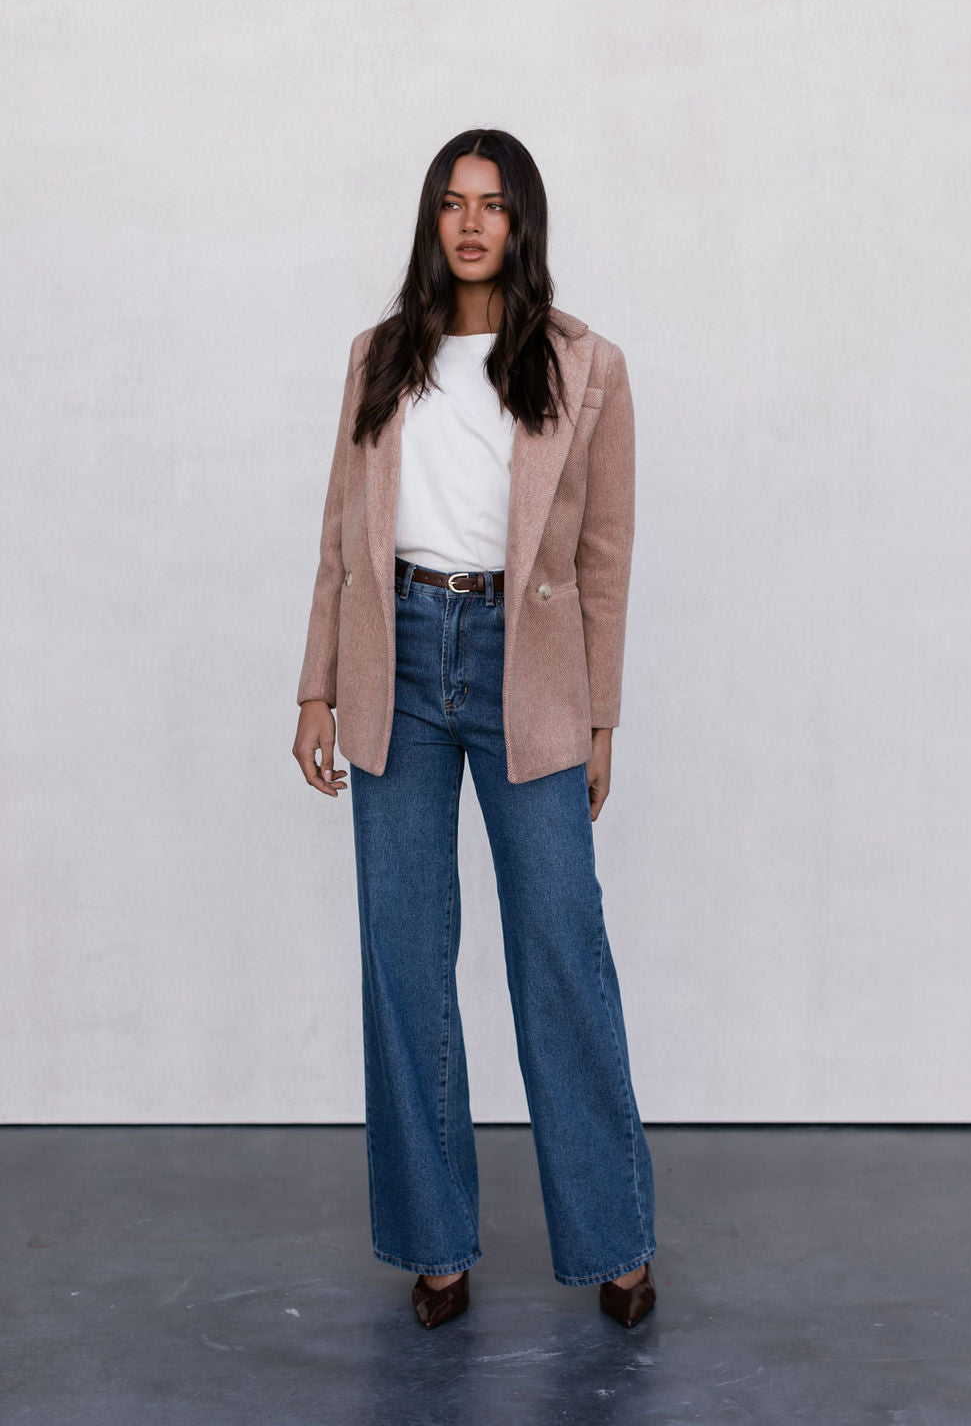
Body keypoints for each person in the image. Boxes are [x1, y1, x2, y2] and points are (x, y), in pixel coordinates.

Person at [292, 128, 656, 1329]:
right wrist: (315, 689)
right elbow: (343, 540)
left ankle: (613, 1238)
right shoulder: (377, 357)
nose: (469, 224)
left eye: (491, 206)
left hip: (525, 663)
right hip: (394, 650)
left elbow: (603, 561)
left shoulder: (583, 364)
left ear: (521, 223)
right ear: (430, 221)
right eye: (451, 203)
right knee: (403, 960)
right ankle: (435, 1244)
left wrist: (599, 717)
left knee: (561, 947)